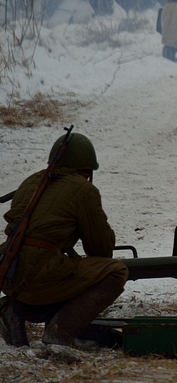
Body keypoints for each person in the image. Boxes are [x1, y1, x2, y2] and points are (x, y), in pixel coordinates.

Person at [1, 132, 128, 349]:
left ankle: (13, 310)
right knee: (115, 271)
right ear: (87, 169)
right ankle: (60, 333)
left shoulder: (31, 181)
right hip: (39, 275)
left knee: (58, 272)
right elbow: (100, 249)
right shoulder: (83, 189)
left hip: (7, 273)